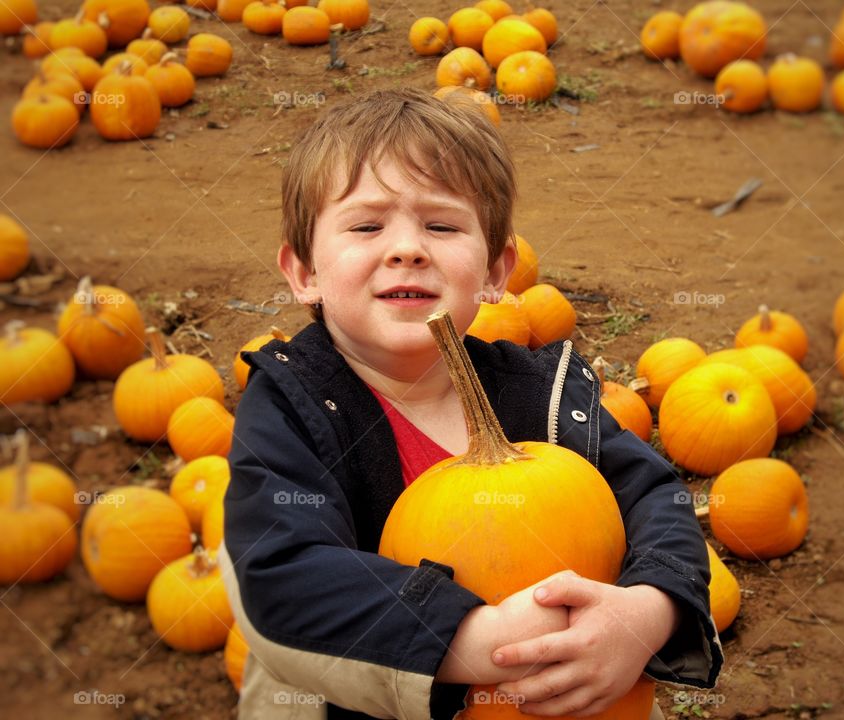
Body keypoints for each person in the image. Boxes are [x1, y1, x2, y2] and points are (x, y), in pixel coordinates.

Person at [219, 87, 722, 720]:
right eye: (368, 225)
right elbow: (284, 574)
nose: (408, 248)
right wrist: (472, 642)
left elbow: (654, 497)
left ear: (495, 269)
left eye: (442, 225)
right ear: (304, 273)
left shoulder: (541, 396)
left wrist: (650, 610)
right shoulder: (294, 406)